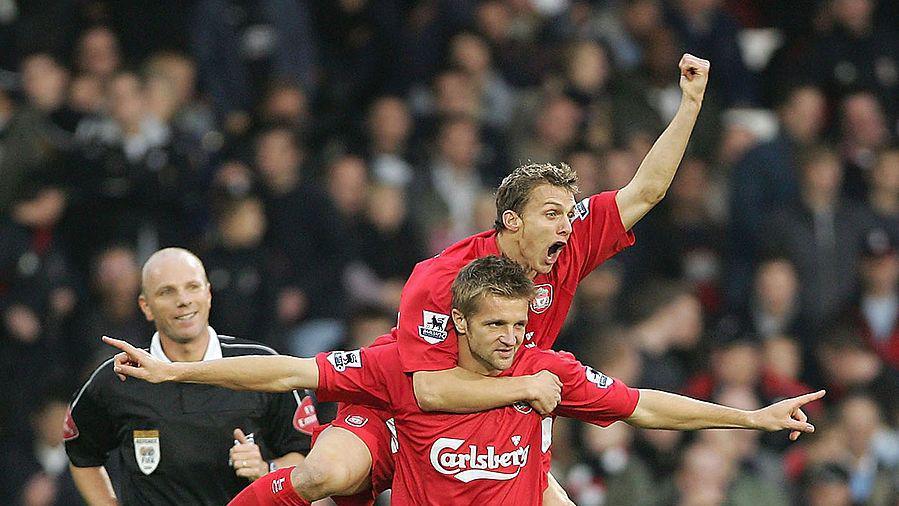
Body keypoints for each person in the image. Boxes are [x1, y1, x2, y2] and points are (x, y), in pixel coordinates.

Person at [273, 52, 711, 506]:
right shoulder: (444, 275)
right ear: (513, 221)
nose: (566, 226)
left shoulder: (567, 241)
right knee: (323, 476)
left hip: (494, 414)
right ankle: (266, 478)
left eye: (568, 214)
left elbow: (647, 190)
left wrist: (690, 104)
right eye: (551, 214)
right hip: (408, 406)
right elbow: (426, 386)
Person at [104, 256, 825, 505]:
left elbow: (642, 407)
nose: (513, 341)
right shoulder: (400, 368)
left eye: (520, 326)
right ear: (457, 326)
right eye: (496, 327)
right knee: (321, 473)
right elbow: (288, 368)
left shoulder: (548, 368)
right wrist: (181, 370)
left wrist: (752, 419)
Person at [64, 248, 317, 505]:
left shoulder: (262, 365)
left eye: (192, 287)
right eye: (167, 292)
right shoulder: (120, 376)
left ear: (208, 294)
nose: (183, 300)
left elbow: (307, 457)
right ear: (146, 306)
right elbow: (81, 455)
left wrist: (266, 470)